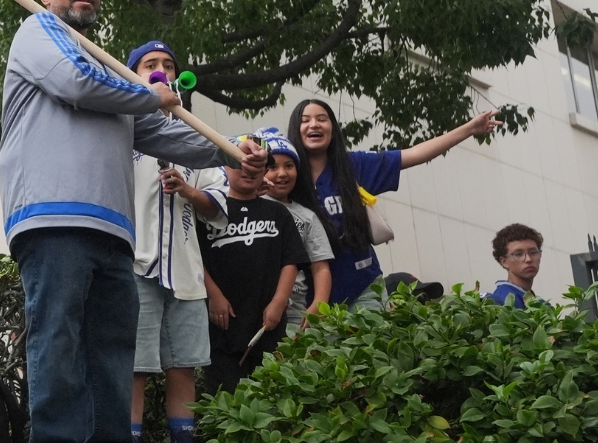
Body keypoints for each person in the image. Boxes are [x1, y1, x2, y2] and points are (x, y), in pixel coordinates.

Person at [0, 0, 265, 443]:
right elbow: (76, 85)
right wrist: (147, 92)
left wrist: (229, 150)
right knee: (59, 338)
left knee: (112, 348)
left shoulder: (108, 69)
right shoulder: (39, 33)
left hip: (116, 230)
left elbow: (163, 132)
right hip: (52, 217)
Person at [288, 98, 500, 309]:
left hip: (364, 288)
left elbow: (413, 154)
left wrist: (469, 129)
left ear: (333, 130)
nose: (314, 124)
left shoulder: (354, 165)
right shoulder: (286, 175)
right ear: (295, 131)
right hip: (307, 297)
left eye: (322, 119)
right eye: (305, 120)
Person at [125, 41, 226, 443]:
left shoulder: (195, 134)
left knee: (183, 366)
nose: (162, 70)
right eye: (151, 65)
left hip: (186, 273)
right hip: (136, 267)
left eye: (169, 65)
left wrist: (188, 189)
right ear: (132, 75)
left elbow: (218, 202)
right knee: (135, 368)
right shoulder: (123, 127)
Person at [199, 145, 306, 390]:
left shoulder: (277, 212)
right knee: (223, 395)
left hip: (267, 324)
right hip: (222, 328)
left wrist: (279, 302)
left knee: (272, 393)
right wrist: (214, 295)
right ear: (224, 166)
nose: (248, 171)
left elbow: (291, 261)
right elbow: (195, 259)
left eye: (257, 167)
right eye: (239, 164)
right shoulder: (210, 211)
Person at [255, 128, 333, 333]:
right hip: (253, 309)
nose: (282, 173)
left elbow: (320, 266)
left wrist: (318, 303)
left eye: (289, 166)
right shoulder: (250, 207)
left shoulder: (307, 216)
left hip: (294, 316)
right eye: (272, 166)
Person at [485, 223, 544, 307]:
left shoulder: (543, 304)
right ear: (504, 262)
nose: (528, 259)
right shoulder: (502, 302)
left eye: (533, 252)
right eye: (518, 254)